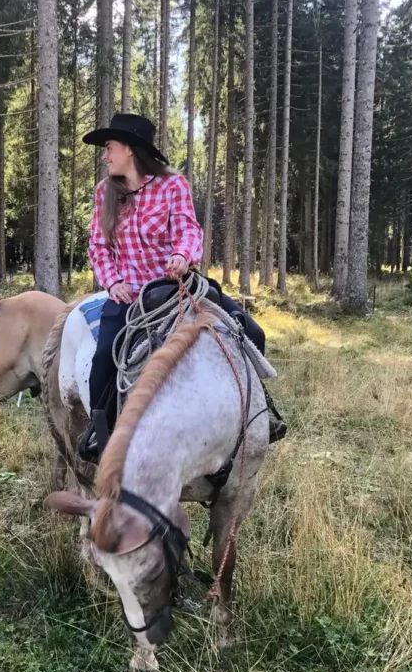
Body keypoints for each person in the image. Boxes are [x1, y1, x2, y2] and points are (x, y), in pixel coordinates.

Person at [81, 113, 286, 461]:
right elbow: (98, 246)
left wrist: (182, 254)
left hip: (177, 286)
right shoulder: (106, 193)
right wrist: (112, 281)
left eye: (109, 148)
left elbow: (190, 230)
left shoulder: (173, 185)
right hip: (129, 294)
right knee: (103, 358)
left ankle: (259, 413)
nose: (105, 155)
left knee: (250, 330)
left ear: (130, 150)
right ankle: (101, 434)